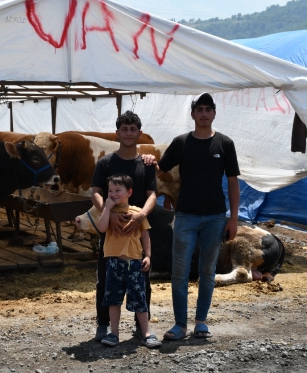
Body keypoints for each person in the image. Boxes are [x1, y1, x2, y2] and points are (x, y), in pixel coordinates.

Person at [155, 92, 240, 340]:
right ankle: (180, 325)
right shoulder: (181, 142)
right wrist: (149, 160)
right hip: (186, 216)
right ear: (193, 114)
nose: (203, 114)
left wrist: (233, 219)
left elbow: (233, 183)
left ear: (214, 114)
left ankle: (201, 322)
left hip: (215, 217)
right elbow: (161, 169)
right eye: (199, 109)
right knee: (179, 271)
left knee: (207, 270)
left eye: (208, 109)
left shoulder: (225, 144)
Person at [91, 110, 160, 347]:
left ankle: (143, 328)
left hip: (137, 230)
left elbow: (153, 195)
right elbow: (96, 192)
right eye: (124, 129)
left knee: (142, 280)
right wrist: (107, 215)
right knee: (106, 279)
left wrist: (141, 215)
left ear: (139, 133)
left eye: (133, 129)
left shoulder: (147, 164)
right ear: (117, 132)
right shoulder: (105, 162)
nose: (128, 133)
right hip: (111, 232)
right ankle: (105, 325)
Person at [96, 175, 159, 348]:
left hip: (134, 263)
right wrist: (107, 208)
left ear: (129, 192)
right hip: (114, 263)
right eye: (110, 191)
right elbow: (101, 228)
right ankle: (114, 333)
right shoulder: (108, 213)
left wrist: (147, 256)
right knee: (113, 299)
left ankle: (145, 332)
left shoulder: (138, 212)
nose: (113, 194)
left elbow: (145, 235)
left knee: (139, 298)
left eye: (118, 190)